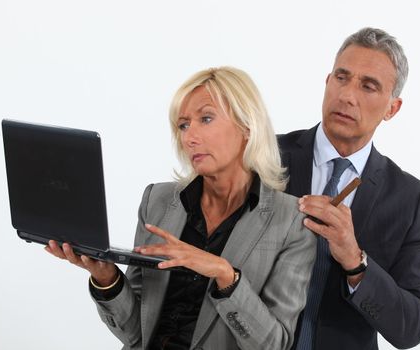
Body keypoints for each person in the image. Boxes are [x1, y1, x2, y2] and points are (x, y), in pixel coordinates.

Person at [46, 66, 316, 350]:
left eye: (206, 118)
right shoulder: (158, 201)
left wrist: (226, 276)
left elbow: (274, 344)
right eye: (184, 125)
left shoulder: (291, 223)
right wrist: (107, 278)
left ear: (247, 125)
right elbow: (136, 334)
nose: (190, 137)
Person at [278, 28, 420, 350]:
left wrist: (354, 260)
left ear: (393, 108)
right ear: (327, 81)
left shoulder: (409, 198)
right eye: (341, 77)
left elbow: (413, 326)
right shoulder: (265, 157)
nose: (347, 95)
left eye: (368, 86)